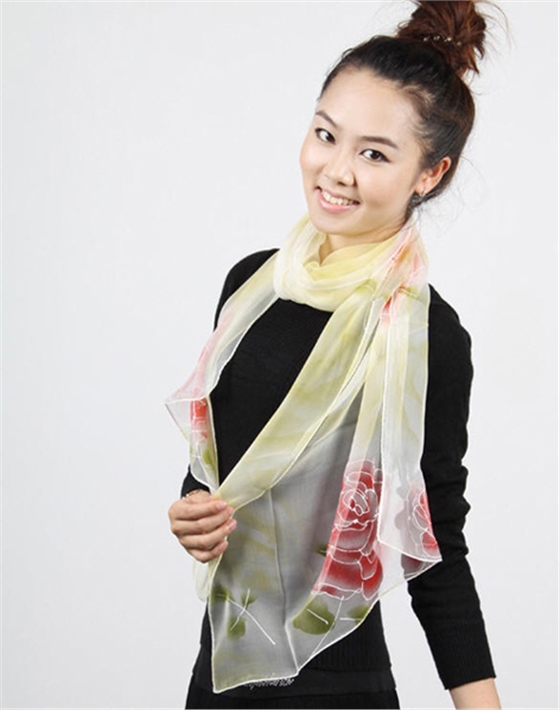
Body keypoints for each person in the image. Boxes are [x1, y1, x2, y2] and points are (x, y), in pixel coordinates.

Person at [166, 1, 502, 708]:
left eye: (374, 153)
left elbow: (436, 544)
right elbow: (218, 475)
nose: (336, 170)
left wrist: (481, 702)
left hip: (340, 687)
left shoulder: (429, 336)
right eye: (326, 135)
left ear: (429, 173)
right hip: (219, 677)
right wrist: (194, 512)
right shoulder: (252, 286)